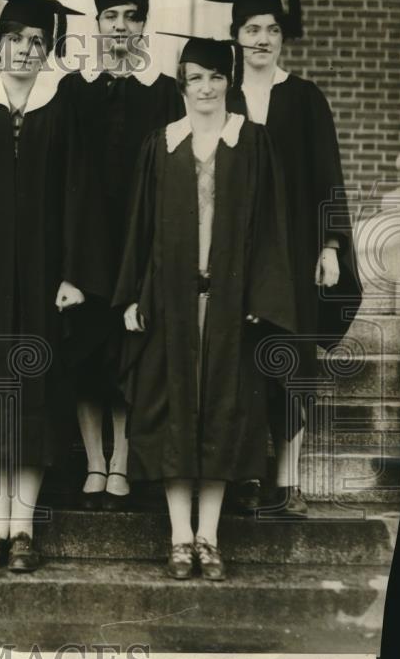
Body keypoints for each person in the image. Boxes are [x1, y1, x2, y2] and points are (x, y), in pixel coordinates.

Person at [0, 0, 107, 573]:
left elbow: (82, 193)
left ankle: (24, 529)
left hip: (41, 277)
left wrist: (76, 275)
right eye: (15, 40)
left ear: (48, 49)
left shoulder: (63, 106)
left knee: (33, 396)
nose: (26, 50)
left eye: (37, 41)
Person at [114, 33, 297, 581]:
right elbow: (139, 228)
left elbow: (271, 227)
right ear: (182, 85)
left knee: (222, 411)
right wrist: (132, 295)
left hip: (230, 305)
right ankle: (178, 538)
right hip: (170, 302)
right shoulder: (162, 144)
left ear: (229, 82)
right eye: (195, 78)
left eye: (216, 77)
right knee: (174, 414)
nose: (206, 88)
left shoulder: (252, 141)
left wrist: (262, 295)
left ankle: (209, 538)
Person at [207, 0, 362, 519]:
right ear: (234, 36)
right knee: (238, 366)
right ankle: (246, 475)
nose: (263, 39)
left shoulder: (305, 98)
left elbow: (328, 179)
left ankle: (288, 480)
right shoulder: (222, 97)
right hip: (232, 257)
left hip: (294, 256)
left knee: (291, 363)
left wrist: (331, 246)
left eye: (272, 30)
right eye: (252, 29)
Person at [60, 0, 184, 510]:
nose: (120, 26)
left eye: (131, 17)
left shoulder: (163, 92)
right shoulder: (74, 90)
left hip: (140, 239)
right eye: (110, 16)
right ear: (96, 24)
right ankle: (94, 461)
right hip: (85, 243)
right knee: (87, 352)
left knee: (130, 351)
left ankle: (122, 461)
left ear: (143, 26)